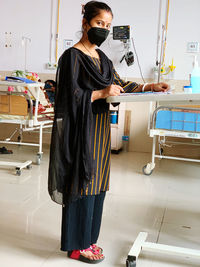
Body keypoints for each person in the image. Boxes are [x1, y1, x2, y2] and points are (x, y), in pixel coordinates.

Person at [48, 1, 170, 264]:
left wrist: (150, 86)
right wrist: (101, 93)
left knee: (99, 184)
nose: (103, 29)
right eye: (99, 23)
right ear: (85, 24)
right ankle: (75, 245)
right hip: (81, 130)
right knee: (82, 181)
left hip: (100, 129)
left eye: (107, 25)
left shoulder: (102, 58)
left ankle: (88, 239)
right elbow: (68, 98)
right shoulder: (72, 57)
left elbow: (119, 83)